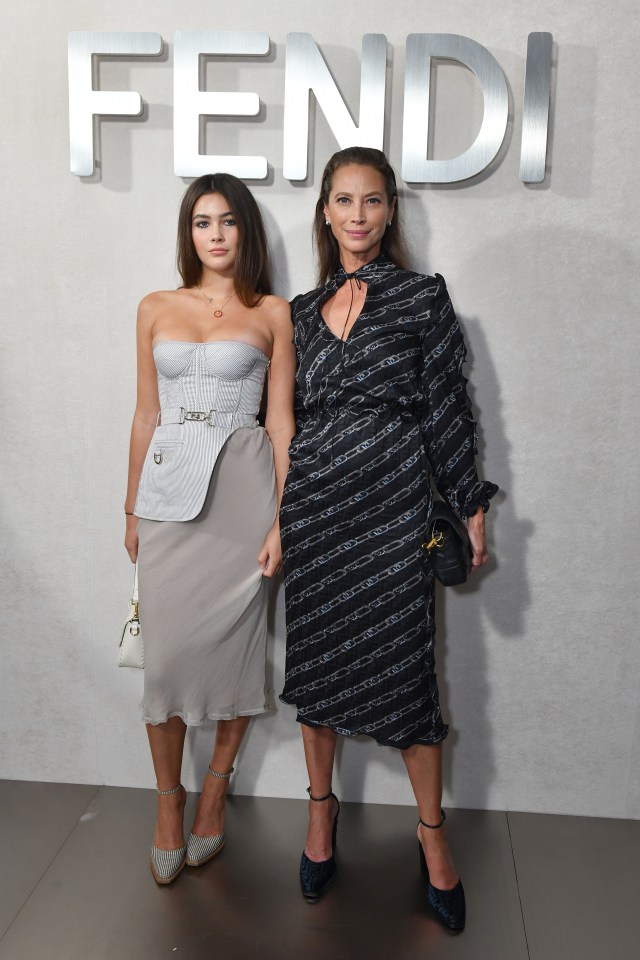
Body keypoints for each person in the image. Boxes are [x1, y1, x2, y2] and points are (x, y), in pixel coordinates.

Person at [279, 147, 498, 930]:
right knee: (316, 663)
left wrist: (470, 504)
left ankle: (432, 835)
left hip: (392, 503)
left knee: (405, 670)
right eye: (344, 200)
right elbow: (285, 420)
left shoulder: (420, 298)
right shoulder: (302, 311)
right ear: (327, 212)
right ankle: (319, 814)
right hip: (315, 507)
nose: (359, 215)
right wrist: (274, 512)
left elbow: (446, 404)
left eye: (372, 200)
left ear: (390, 210)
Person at [124, 173, 295, 885]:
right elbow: (144, 414)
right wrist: (130, 507)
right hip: (168, 488)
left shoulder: (274, 313)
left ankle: (214, 795)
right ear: (187, 232)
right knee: (161, 658)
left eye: (227, 221)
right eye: (201, 221)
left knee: (237, 656)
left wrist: (284, 517)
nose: (215, 234)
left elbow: (282, 421)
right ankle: (169, 802)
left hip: (244, 489)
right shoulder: (155, 307)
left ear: (245, 231)